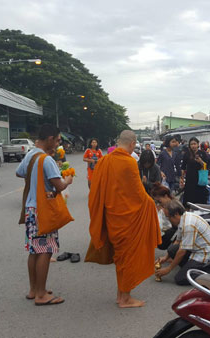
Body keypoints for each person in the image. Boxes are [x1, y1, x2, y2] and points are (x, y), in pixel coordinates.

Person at [86, 130, 161, 308]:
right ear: (133, 143)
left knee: (121, 259)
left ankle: (121, 295)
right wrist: (152, 205)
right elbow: (139, 194)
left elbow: (96, 191)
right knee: (128, 258)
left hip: (112, 218)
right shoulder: (128, 162)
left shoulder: (104, 161)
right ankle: (126, 299)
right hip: (128, 220)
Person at [16, 124, 73, 306]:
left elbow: (20, 172)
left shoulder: (31, 155)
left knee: (34, 250)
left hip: (31, 209)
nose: (57, 144)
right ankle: (41, 294)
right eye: (57, 140)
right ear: (50, 138)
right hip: (43, 210)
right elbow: (59, 185)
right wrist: (68, 180)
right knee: (46, 251)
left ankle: (34, 289)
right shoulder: (46, 160)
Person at [155, 200, 210, 285]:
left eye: (168, 217)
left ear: (176, 214)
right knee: (172, 250)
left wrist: (168, 269)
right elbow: (178, 241)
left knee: (180, 279)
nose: (168, 220)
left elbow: (182, 251)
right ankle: (190, 267)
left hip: (205, 253)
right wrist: (165, 257)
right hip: (196, 248)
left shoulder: (188, 225)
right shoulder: (184, 217)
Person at [180, 137, 210, 204]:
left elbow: (206, 166)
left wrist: (200, 161)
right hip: (190, 179)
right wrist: (181, 178)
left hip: (200, 178)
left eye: (194, 144)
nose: (193, 146)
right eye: (191, 144)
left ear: (198, 144)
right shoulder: (187, 154)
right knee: (189, 198)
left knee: (200, 198)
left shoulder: (202, 153)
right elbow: (183, 167)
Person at [151, 184, 178, 250]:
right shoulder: (164, 206)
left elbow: (178, 225)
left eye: (159, 201)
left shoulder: (173, 206)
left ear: (166, 196)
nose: (159, 204)